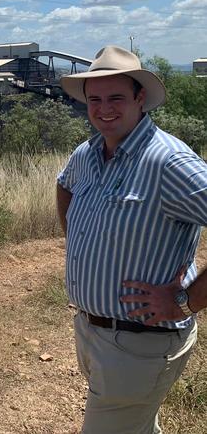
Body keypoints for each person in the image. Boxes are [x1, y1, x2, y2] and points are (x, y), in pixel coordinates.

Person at [56, 45, 207, 434]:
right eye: (96, 99)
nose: (104, 108)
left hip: (141, 344)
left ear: (141, 98)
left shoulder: (168, 163)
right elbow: (64, 187)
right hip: (93, 332)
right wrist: (78, 242)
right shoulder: (87, 154)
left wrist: (186, 300)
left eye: (116, 97)